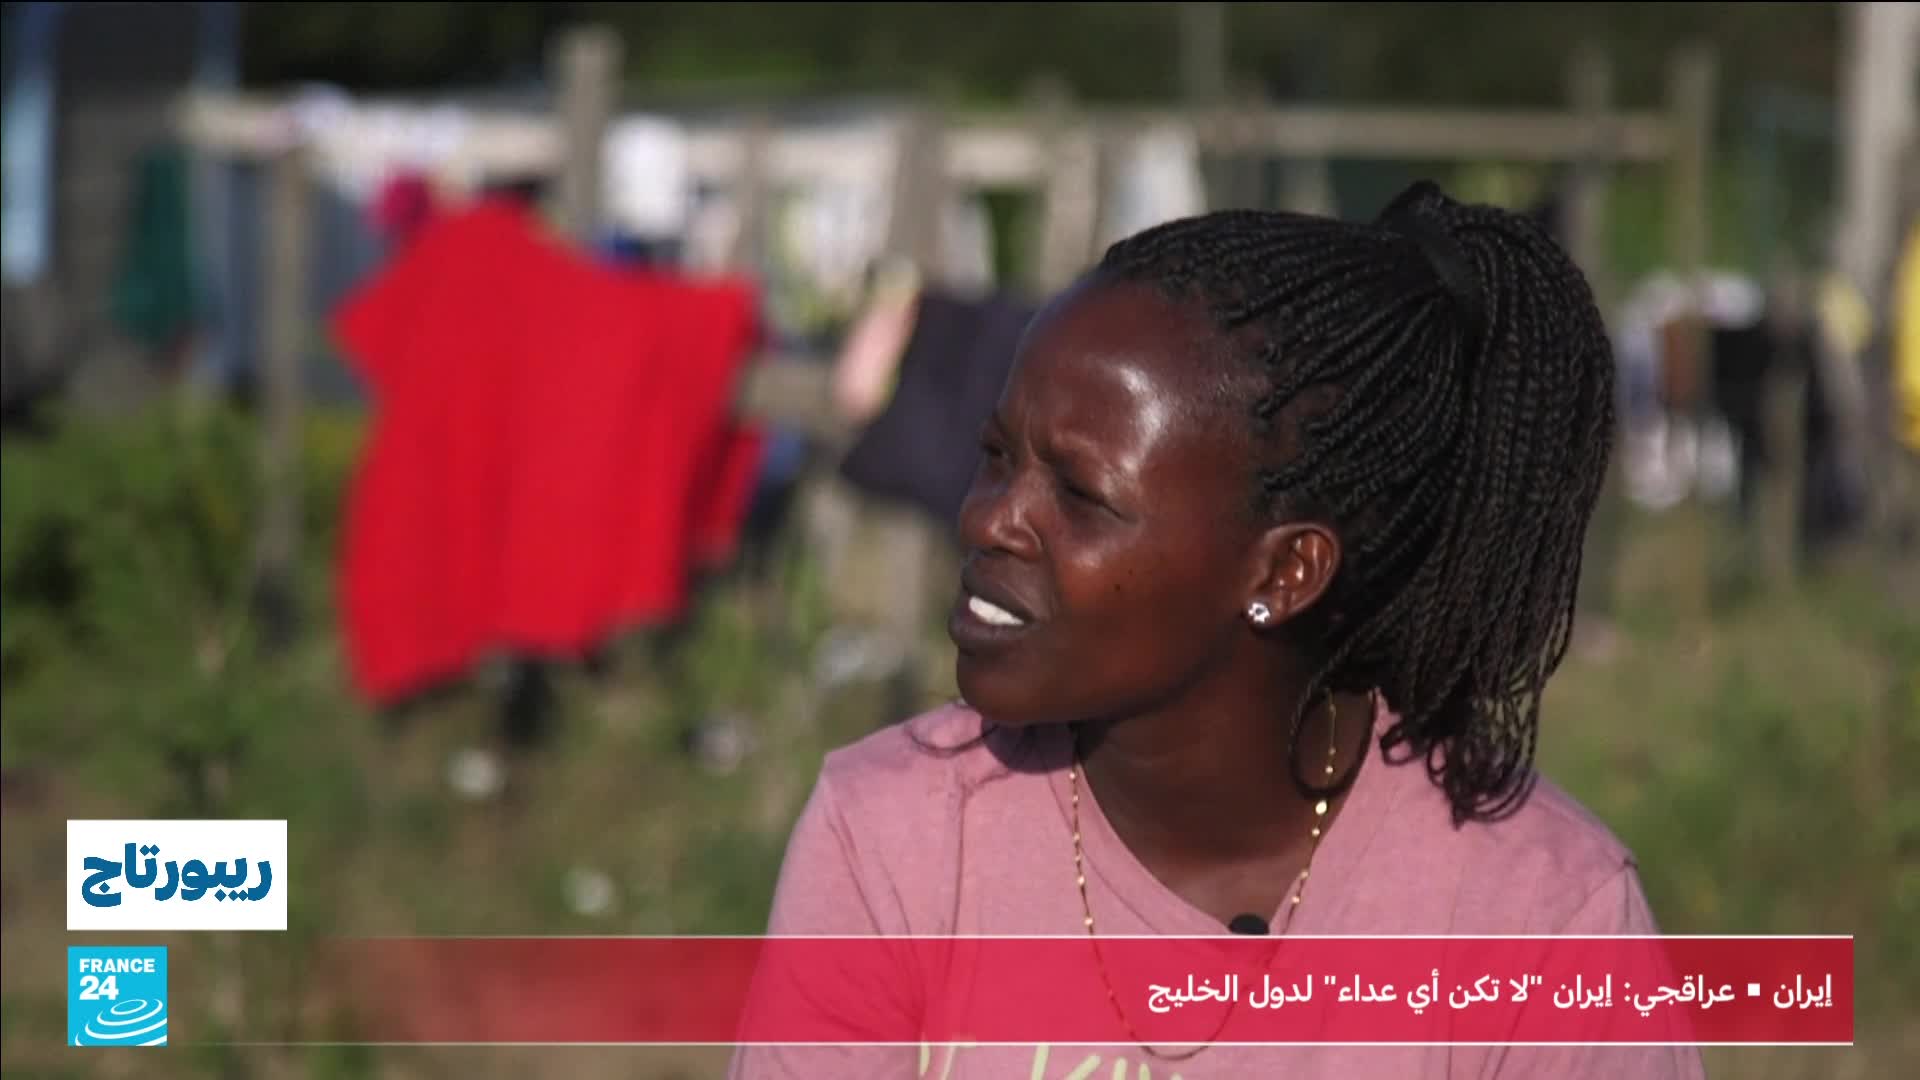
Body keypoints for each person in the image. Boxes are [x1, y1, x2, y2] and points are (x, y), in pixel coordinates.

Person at [731, 181, 1705, 1078]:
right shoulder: (894, 839)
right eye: (996, 457)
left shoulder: (1536, 918)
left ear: (1283, 573)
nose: (989, 519)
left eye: (1081, 493)